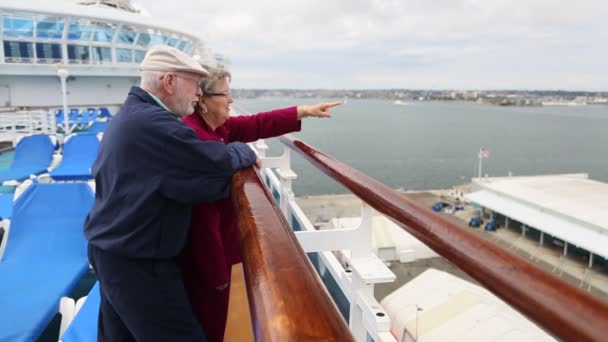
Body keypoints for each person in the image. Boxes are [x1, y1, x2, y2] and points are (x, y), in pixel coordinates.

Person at [84, 45, 258, 342]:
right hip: (137, 263)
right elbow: (215, 162)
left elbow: (187, 181)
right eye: (193, 86)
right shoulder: (156, 125)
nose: (197, 94)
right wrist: (244, 150)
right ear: (168, 82)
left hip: (113, 251)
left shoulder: (134, 115)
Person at [177, 65, 340, 342]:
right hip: (204, 261)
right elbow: (203, 221)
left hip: (213, 254)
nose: (231, 101)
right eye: (226, 94)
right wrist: (217, 275)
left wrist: (303, 111)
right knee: (208, 321)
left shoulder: (215, 127)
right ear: (202, 100)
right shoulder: (196, 136)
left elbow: (256, 123)